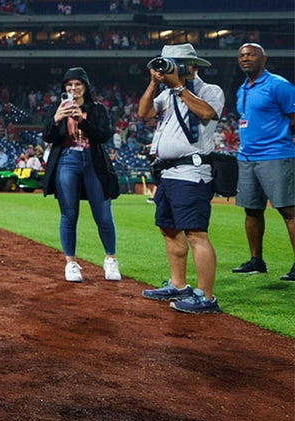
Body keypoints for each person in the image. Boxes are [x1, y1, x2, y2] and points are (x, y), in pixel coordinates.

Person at [138, 44, 225, 313]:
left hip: (192, 172)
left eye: (175, 63)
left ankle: (206, 296)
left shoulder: (210, 91)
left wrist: (178, 86)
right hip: (167, 172)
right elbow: (144, 113)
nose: (169, 68)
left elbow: (208, 113)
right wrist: (154, 84)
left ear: (193, 67)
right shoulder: (166, 94)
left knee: (196, 233)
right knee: (168, 228)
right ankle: (178, 285)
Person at [41, 67, 120, 283]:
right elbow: (47, 135)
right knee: (69, 214)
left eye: (77, 84)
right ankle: (71, 263)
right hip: (67, 160)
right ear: (64, 88)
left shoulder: (97, 109)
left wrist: (82, 120)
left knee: (103, 214)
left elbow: (104, 135)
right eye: (69, 85)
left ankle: (110, 259)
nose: (73, 88)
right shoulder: (55, 108)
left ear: (85, 86)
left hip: (93, 161)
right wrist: (56, 119)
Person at [230, 43, 295, 281]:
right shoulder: (242, 89)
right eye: (241, 55)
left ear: (263, 59)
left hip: (276, 155)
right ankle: (256, 261)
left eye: (251, 54)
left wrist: (283, 141)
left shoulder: (278, 85)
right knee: (252, 210)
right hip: (247, 157)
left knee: (289, 210)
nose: (245, 58)